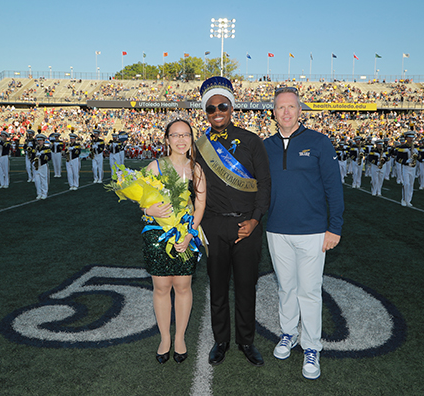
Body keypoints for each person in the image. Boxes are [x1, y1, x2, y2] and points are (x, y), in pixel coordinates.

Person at [264, 86, 344, 380]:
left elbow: (334, 188)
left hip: (312, 232)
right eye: (280, 107)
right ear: (273, 113)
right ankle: (288, 333)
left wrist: (334, 227)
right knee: (286, 287)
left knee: (309, 291)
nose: (286, 112)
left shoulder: (319, 142)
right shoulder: (265, 146)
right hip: (276, 230)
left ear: (300, 111)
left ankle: (312, 347)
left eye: (291, 107)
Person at [195, 76, 271, 367]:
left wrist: (254, 221)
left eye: (222, 106)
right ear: (206, 111)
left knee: (245, 286)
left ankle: (246, 341)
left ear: (231, 107)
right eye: (211, 108)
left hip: (247, 226)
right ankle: (221, 340)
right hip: (213, 225)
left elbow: (264, 183)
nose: (217, 113)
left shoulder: (252, 141)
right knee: (217, 287)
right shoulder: (199, 146)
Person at [143, 116, 206, 364]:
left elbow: (200, 205)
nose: (181, 140)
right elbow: (143, 202)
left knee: (183, 287)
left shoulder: (196, 168)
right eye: (176, 135)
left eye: (186, 135)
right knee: (161, 288)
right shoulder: (155, 167)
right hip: (158, 235)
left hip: (186, 236)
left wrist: (190, 232)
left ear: (192, 139)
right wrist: (150, 211)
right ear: (167, 139)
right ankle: (165, 339)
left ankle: (179, 337)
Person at [395, 131, 418, 207]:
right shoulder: (402, 147)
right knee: (406, 184)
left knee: (411, 184)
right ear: (406, 138)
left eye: (412, 137)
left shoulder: (415, 147)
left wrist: (416, 156)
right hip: (406, 167)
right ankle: (404, 199)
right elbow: (398, 159)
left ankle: (409, 200)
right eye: (409, 137)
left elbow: (420, 156)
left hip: (413, 167)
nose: (411, 139)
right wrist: (406, 161)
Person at [32, 134, 52, 200]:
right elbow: (32, 156)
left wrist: (41, 156)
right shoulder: (35, 148)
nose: (39, 141)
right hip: (36, 165)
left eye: (40, 140)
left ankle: (44, 193)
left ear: (43, 141)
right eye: (38, 140)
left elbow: (48, 158)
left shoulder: (46, 148)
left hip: (43, 165)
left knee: (44, 180)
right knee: (37, 181)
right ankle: (39, 193)